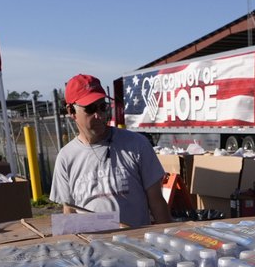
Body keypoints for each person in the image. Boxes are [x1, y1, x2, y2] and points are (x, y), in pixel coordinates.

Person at [50, 74, 169, 228]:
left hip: (136, 246)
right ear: (71, 111)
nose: (99, 115)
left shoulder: (137, 145)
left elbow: (156, 201)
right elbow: (70, 212)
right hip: (92, 249)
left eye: (102, 107)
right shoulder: (66, 157)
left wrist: (168, 239)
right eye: (90, 109)